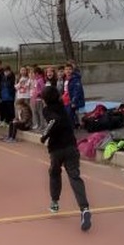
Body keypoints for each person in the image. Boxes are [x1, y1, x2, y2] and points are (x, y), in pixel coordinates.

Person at [40, 86, 92, 231]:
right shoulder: (62, 106)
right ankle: (84, 209)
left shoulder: (47, 110)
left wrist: (44, 136)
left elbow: (53, 121)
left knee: (55, 173)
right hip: (71, 146)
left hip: (57, 149)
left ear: (45, 99)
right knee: (75, 176)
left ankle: (55, 202)